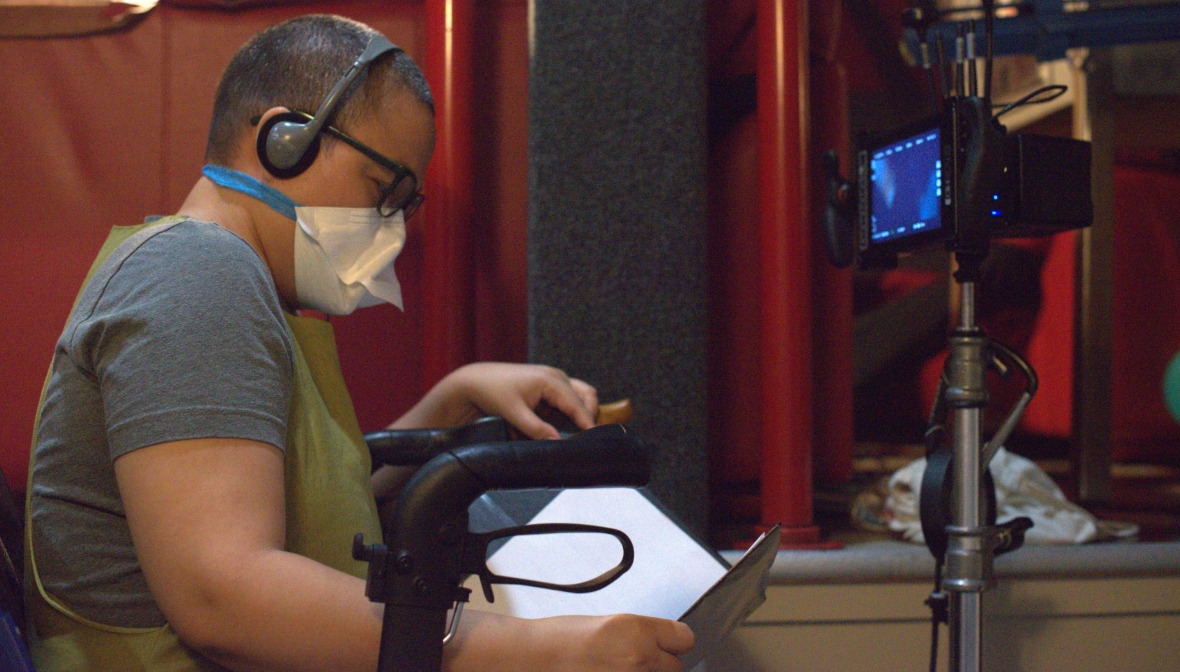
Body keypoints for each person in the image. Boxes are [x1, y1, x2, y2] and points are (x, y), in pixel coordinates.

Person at [24, 14, 694, 672]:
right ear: (285, 141)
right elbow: (223, 597)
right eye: (381, 190)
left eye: (404, 206)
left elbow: (306, 509)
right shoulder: (197, 274)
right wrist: (545, 651)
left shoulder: (232, 283)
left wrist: (451, 401)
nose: (390, 232)